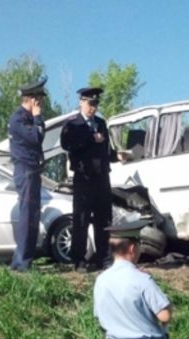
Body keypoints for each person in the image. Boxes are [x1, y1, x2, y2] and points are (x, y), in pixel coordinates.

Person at [61, 87, 116, 272]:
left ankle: (104, 257)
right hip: (83, 177)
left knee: (104, 219)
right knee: (81, 219)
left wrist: (118, 156)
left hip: (101, 177)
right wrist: (91, 139)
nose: (93, 108)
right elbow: (67, 144)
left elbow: (106, 149)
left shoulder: (101, 123)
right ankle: (79, 259)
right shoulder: (73, 124)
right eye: (90, 103)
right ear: (81, 102)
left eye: (96, 104)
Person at [8, 77, 47, 271]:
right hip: (25, 170)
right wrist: (38, 117)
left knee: (33, 215)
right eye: (39, 100)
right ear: (32, 99)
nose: (41, 104)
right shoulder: (18, 118)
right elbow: (36, 137)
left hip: (33, 170)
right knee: (27, 215)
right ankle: (22, 261)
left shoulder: (28, 118)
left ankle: (25, 260)